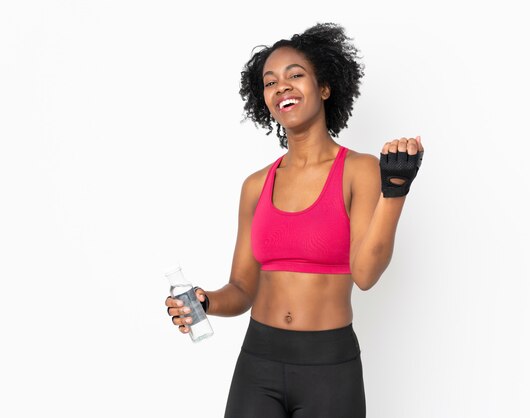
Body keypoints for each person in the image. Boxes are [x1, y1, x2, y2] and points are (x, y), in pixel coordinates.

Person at [165, 22, 424, 418]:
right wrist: (206, 301)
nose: (281, 86)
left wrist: (395, 191)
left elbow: (366, 274)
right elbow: (242, 287)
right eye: (270, 82)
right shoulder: (255, 184)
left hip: (329, 370)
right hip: (257, 362)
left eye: (295, 75)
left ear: (324, 87)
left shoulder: (358, 170)